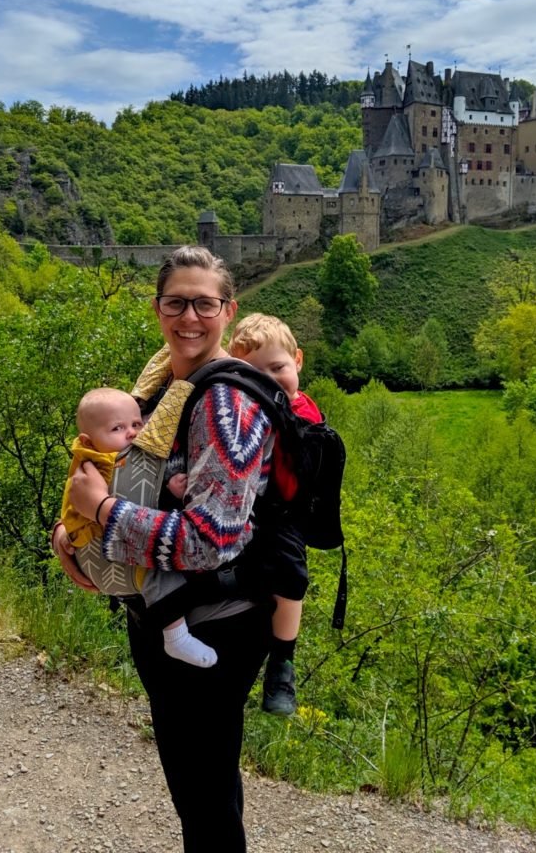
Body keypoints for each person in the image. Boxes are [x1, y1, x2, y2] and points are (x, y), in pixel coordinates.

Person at [51, 245, 275, 853]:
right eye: (176, 302)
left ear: (227, 311)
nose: (190, 317)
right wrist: (78, 534)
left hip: (217, 623)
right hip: (165, 613)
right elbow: (123, 472)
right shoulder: (160, 387)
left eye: (205, 303)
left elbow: (209, 541)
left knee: (204, 793)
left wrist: (102, 511)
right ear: (157, 309)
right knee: (197, 786)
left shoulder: (228, 403)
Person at [60, 386, 216, 668]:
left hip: (103, 544)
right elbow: (124, 496)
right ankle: (176, 635)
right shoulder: (103, 461)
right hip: (104, 544)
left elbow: (134, 491)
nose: (131, 433)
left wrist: (167, 486)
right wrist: (66, 531)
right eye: (118, 428)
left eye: (136, 424)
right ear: (88, 439)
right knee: (160, 576)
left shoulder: (105, 453)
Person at [228, 313, 323, 717]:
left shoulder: (302, 409)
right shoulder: (234, 407)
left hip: (281, 513)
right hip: (242, 508)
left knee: (291, 578)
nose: (268, 381)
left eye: (278, 368)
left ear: (297, 361)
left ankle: (282, 663)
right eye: (253, 374)